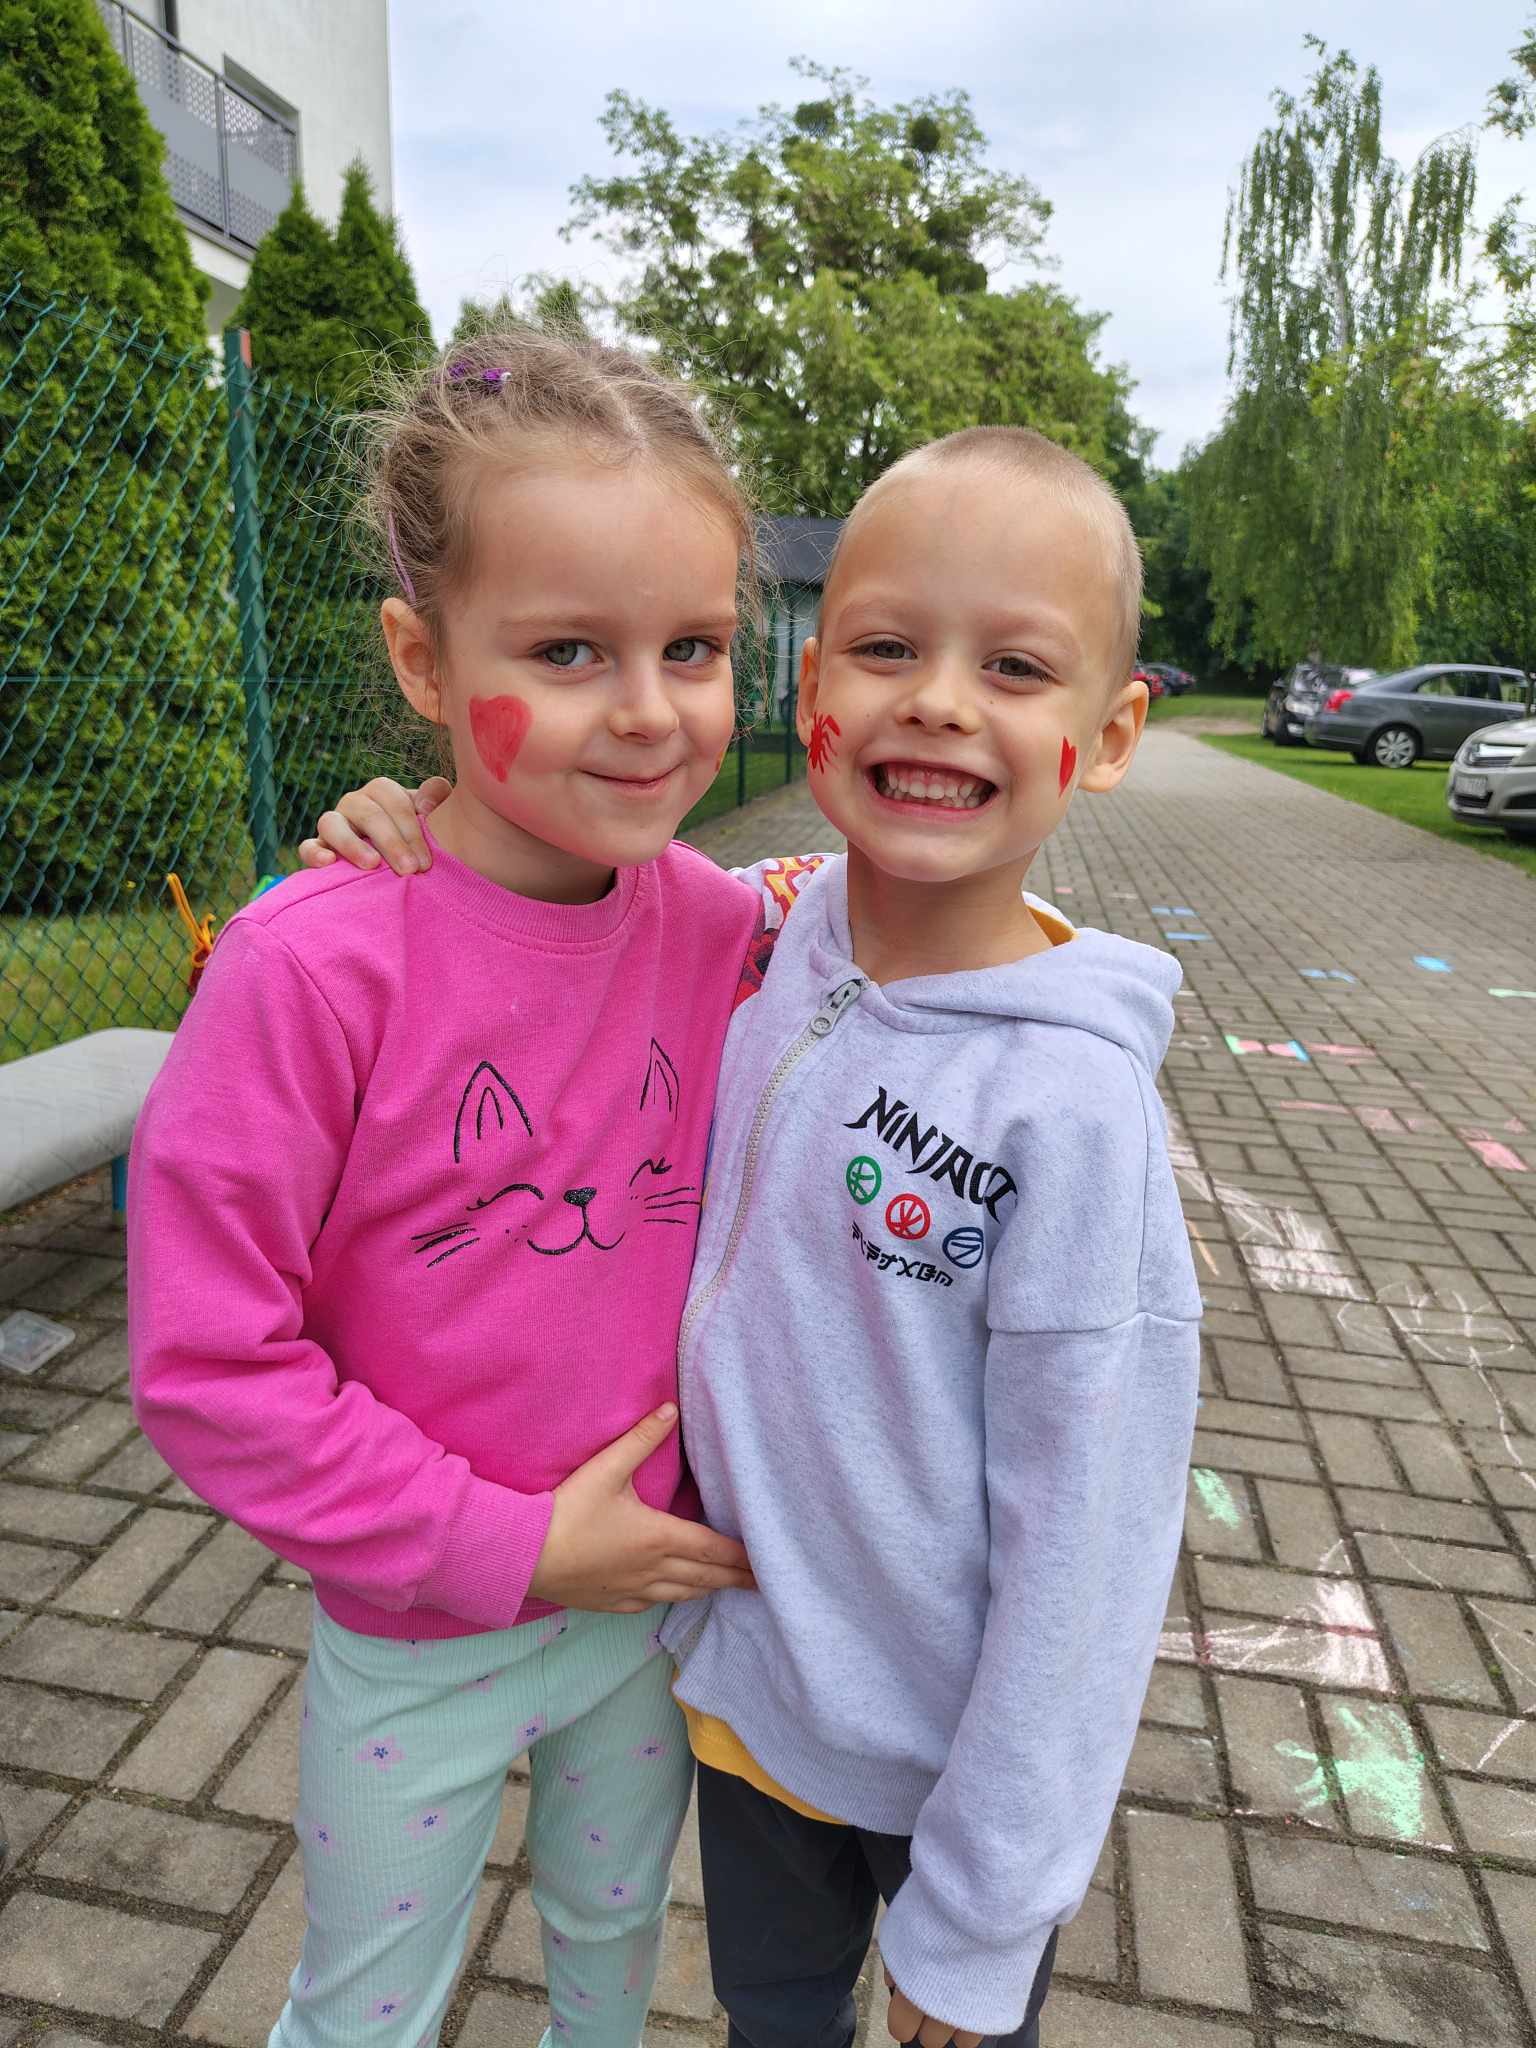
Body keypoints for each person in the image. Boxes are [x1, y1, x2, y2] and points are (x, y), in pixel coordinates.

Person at [301, 425, 1203, 2048]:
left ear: (1114, 731)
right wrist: (410, 817)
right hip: (745, 1708)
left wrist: (987, 1911)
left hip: (949, 1773)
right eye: (887, 648)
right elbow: (552, 881)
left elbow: (1094, 1555)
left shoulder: (1076, 1120)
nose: (939, 702)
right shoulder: (769, 935)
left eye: (1013, 666)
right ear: (810, 688)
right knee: (771, 2022)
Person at [127, 327, 776, 2048]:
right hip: (416, 1638)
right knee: (365, 2011)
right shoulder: (308, 970)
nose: (649, 711)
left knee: (613, 1957)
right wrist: (508, 1543)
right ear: (421, 659)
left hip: (646, 1609)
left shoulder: (728, 929)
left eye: (694, 647)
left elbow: (928, 896)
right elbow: (209, 1367)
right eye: (566, 651)